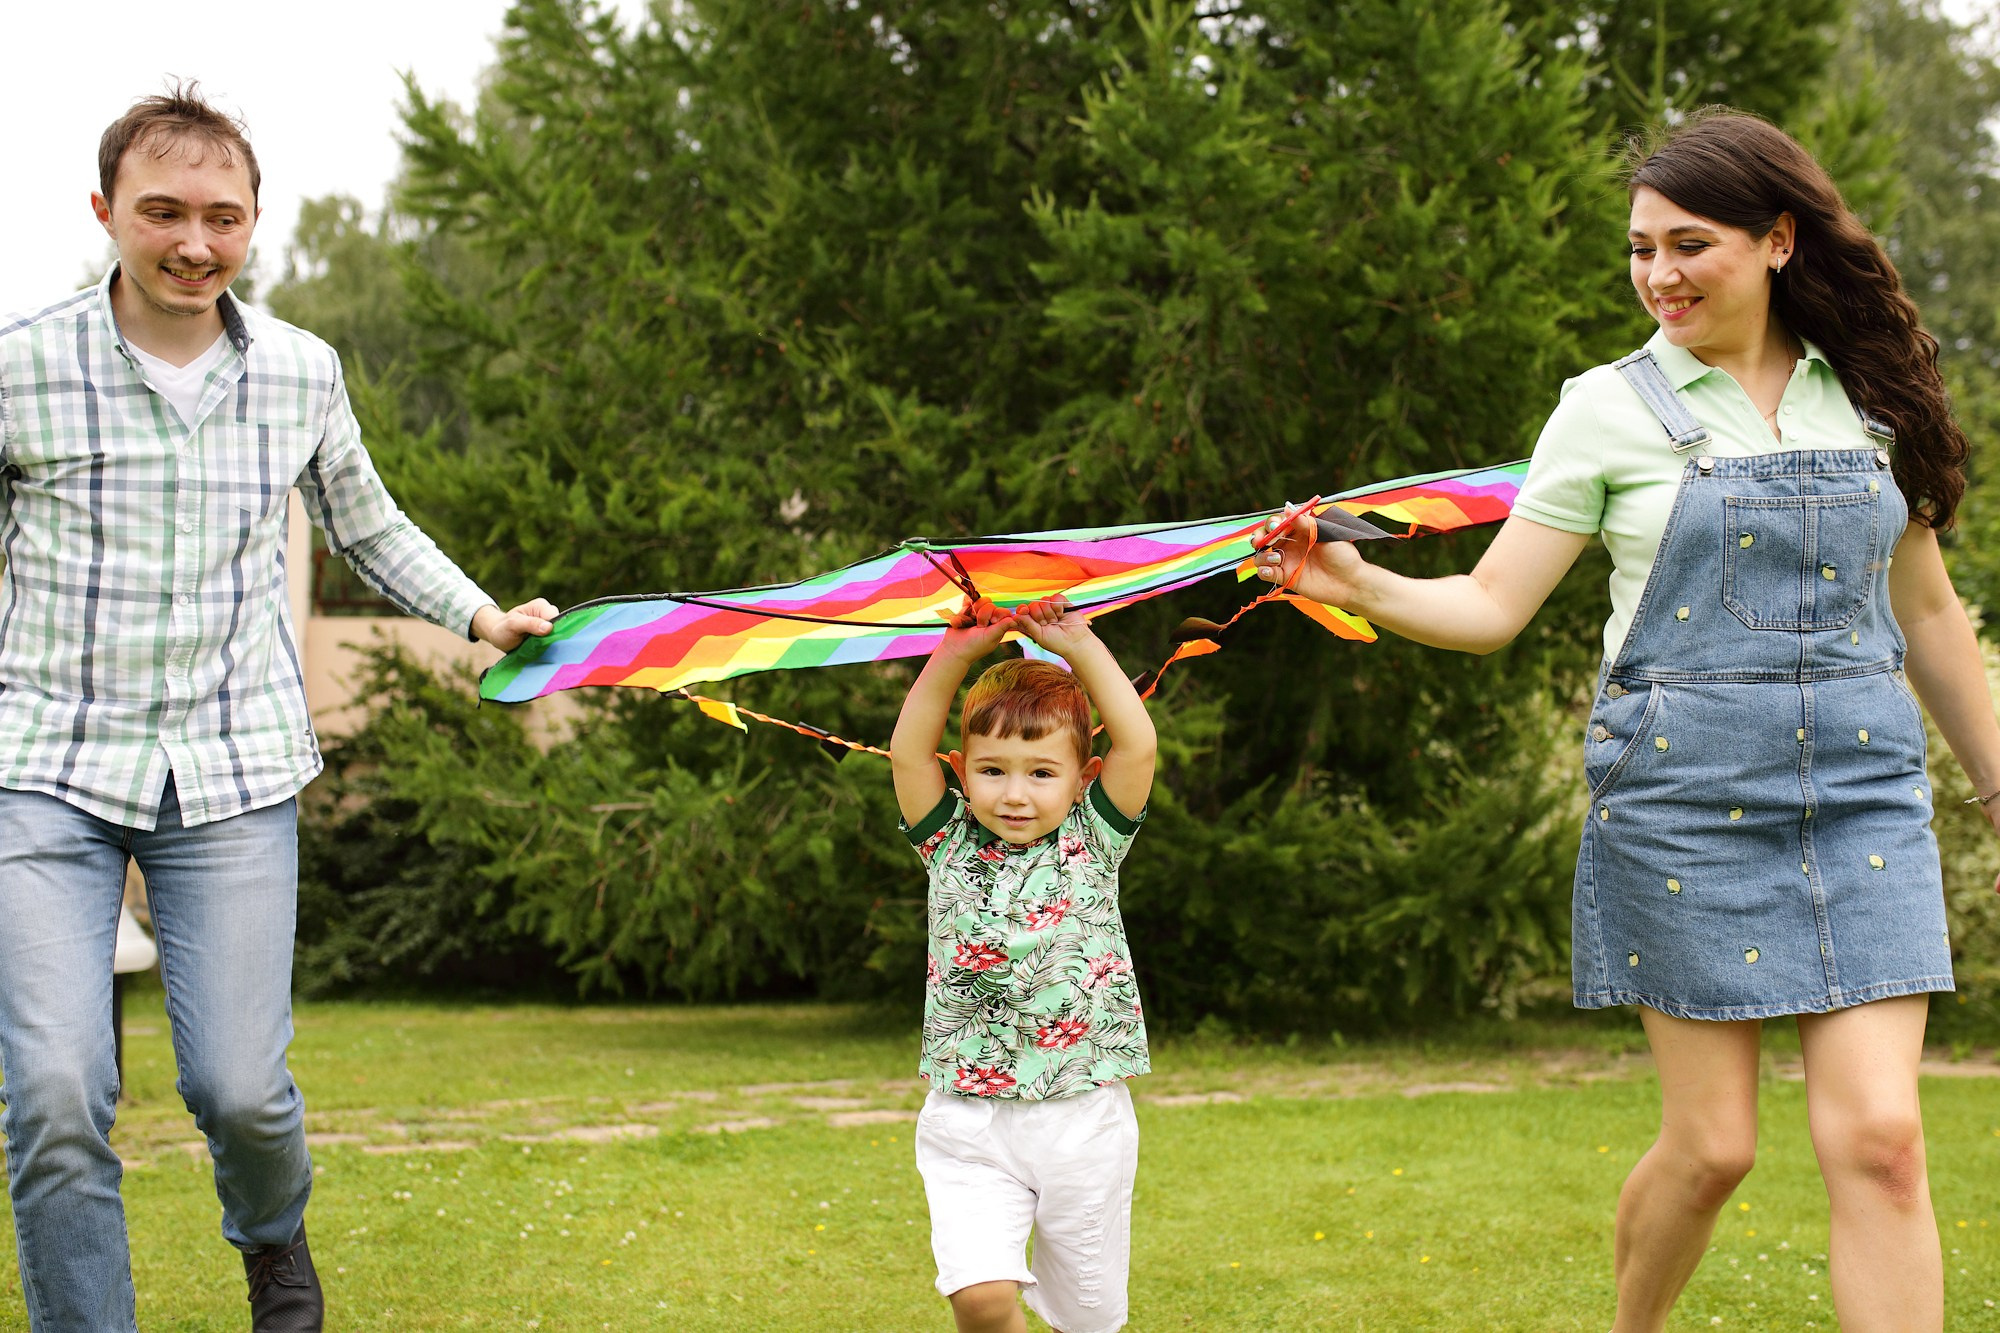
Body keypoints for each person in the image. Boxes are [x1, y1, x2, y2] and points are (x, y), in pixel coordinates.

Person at [1257, 108, 1993, 1333]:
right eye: (1639, 249)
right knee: (1711, 1151)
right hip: (1682, 804)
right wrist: (1355, 582)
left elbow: (1924, 612)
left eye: (1686, 244)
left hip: (1862, 801)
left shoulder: (1865, 401)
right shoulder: (1602, 409)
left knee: (1880, 1139)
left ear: (1775, 241)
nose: (1657, 274)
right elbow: (1491, 606)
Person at [0, 85, 554, 1331]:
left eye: (220, 216)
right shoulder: (20, 368)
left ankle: (272, 1246)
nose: (193, 241)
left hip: (234, 768)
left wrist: (480, 618)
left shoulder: (301, 371)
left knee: (241, 1088)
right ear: (105, 213)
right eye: (162, 212)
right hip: (40, 763)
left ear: (253, 222)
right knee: (49, 1089)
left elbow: (368, 523)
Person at [890, 595, 1157, 1333]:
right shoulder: (946, 843)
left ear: (1082, 776)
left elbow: (1138, 744)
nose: (1014, 792)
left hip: (1082, 1119)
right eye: (993, 769)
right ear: (961, 771)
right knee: (980, 1298)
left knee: (1089, 1318)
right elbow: (908, 753)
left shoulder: (1093, 841)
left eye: (1041, 772)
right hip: (969, 1118)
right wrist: (953, 655)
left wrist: (1077, 642)